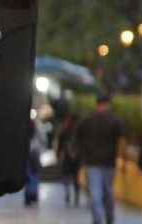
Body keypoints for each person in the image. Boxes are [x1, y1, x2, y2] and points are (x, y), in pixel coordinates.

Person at [77, 92, 127, 224]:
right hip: (109, 162)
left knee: (95, 190)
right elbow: (121, 142)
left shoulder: (87, 120)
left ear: (97, 104)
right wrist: (124, 161)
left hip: (92, 161)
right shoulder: (116, 121)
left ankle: (98, 218)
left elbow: (78, 139)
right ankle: (109, 217)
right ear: (109, 104)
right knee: (108, 191)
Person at [57, 111, 83, 207]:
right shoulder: (80, 131)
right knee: (76, 177)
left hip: (67, 157)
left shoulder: (65, 131)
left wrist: (59, 155)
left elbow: (60, 145)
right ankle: (76, 196)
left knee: (67, 175)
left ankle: (67, 190)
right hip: (77, 157)